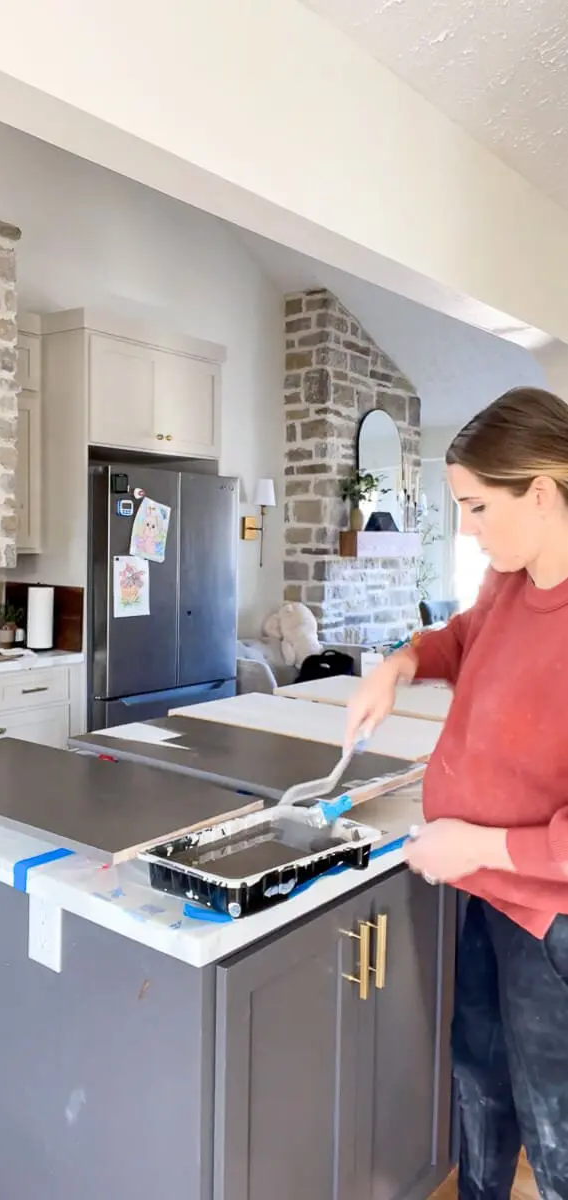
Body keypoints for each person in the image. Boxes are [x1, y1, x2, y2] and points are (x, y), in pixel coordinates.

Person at [344, 386, 568, 1200]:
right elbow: (460, 639)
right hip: (482, 894)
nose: (465, 530)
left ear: (538, 494)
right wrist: (397, 663)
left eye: (475, 507)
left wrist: (473, 846)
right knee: (478, 1092)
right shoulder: (508, 584)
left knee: (556, 1136)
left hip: (549, 922)